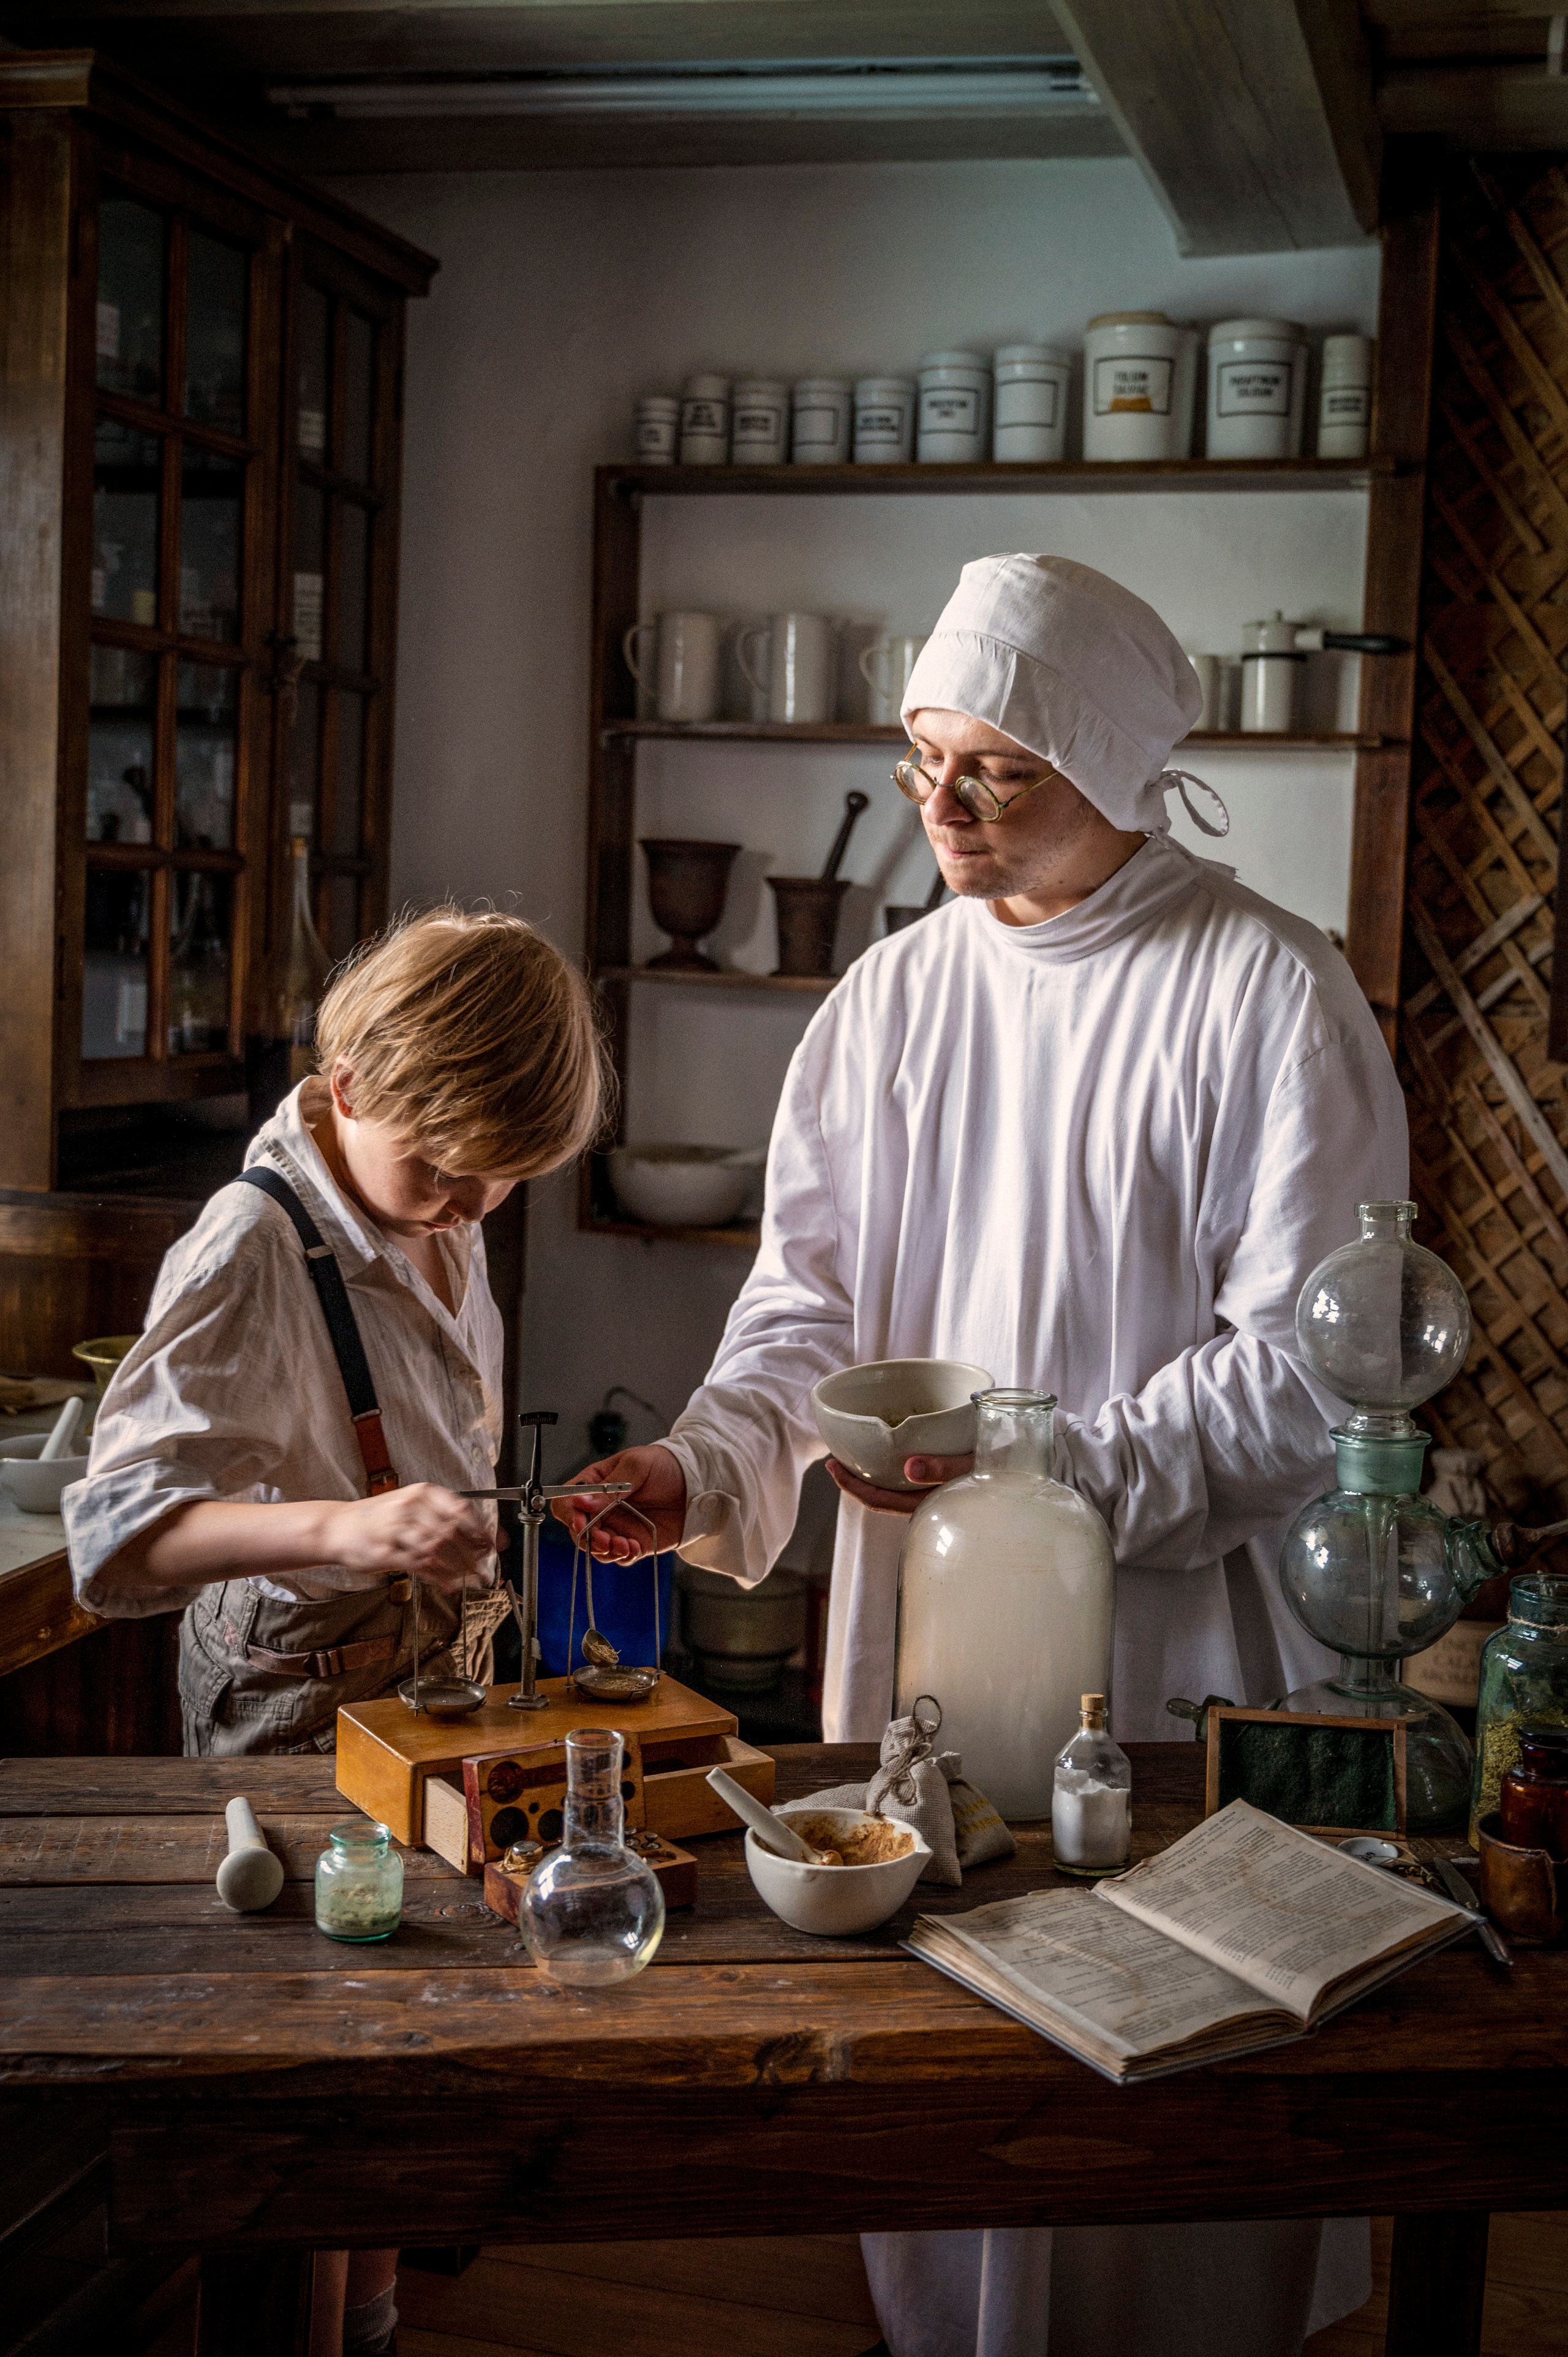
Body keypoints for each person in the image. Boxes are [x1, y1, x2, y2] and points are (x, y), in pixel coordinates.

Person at [557, 554, 1408, 2357]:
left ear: (1108, 763)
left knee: (1167, 2088)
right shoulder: (891, 1001)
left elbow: (1315, 1376)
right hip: (925, 1618)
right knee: (952, 2063)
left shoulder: (1265, 992)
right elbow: (804, 1308)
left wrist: (1036, 1480)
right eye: (921, 755)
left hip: (1166, 1645)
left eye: (994, 769)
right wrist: (709, 1463)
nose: (936, 807)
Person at [64, 904, 607, 2357]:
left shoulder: (432, 1204)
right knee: (313, 2064)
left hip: (428, 1663)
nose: (468, 1204)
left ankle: (362, 2325)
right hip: (296, 1687)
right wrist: (350, 1528)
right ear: (351, 1087)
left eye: (503, 1180)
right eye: (443, 1166)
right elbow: (114, 1540)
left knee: (401, 2047)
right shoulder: (249, 1246)